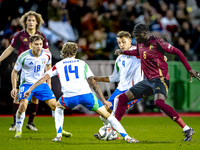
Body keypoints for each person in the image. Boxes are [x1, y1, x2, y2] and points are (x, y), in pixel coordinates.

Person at [23, 42, 139, 143]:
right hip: (86, 95)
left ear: (63, 53)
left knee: (58, 107)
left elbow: (43, 78)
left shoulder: (58, 65)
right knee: (108, 116)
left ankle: (58, 136)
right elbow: (92, 82)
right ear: (75, 52)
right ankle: (127, 137)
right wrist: (103, 100)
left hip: (69, 97)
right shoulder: (82, 63)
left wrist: (29, 89)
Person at [115, 23, 200, 141]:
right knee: (123, 99)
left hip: (160, 79)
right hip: (148, 81)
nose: (137, 38)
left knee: (159, 103)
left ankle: (186, 128)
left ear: (146, 33)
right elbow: (138, 52)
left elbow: (177, 52)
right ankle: (114, 131)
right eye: (136, 36)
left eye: (139, 36)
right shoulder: (140, 43)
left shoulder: (157, 42)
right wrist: (123, 52)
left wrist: (189, 69)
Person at [11, 34, 72, 138]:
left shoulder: (47, 54)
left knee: (56, 106)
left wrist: (49, 82)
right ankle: (18, 130)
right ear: (31, 45)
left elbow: (49, 66)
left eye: (40, 44)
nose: (39, 46)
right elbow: (14, 72)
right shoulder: (23, 56)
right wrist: (14, 87)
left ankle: (60, 130)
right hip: (26, 84)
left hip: (41, 84)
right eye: (36, 44)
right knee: (23, 106)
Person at [0, 11, 49, 131]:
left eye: (33, 20)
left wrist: (48, 70)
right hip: (22, 69)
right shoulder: (19, 35)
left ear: (36, 22)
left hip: (37, 70)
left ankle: (30, 123)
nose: (31, 22)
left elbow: (48, 54)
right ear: (25, 22)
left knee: (35, 97)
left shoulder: (41, 36)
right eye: (29, 20)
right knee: (17, 95)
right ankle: (16, 123)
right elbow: (10, 49)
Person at [93, 31, 144, 139]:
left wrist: (161, 58)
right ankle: (111, 133)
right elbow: (115, 77)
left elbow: (150, 53)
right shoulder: (119, 58)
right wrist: (97, 78)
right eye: (119, 42)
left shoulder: (137, 53)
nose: (121, 45)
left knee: (116, 104)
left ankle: (112, 132)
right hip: (119, 89)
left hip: (133, 90)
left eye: (124, 42)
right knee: (103, 112)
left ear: (130, 41)